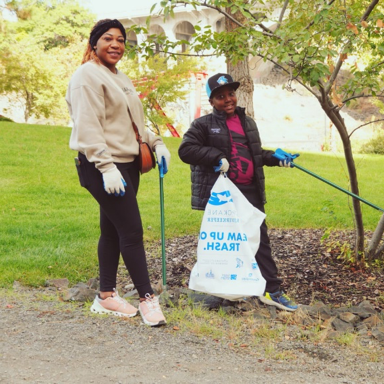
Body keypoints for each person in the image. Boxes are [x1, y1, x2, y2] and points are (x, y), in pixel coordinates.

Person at [66, 19, 171, 327]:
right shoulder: (86, 75)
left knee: (111, 230)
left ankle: (106, 296)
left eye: (121, 40)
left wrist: (158, 144)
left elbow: (133, 121)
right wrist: (106, 167)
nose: (116, 44)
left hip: (127, 164)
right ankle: (147, 299)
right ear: (94, 43)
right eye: (108, 38)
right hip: (103, 166)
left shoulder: (120, 76)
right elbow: (88, 127)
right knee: (132, 231)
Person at [178, 73, 299, 311]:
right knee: (227, 242)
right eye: (220, 96)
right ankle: (227, 289)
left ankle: (271, 290)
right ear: (212, 102)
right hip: (224, 195)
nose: (228, 99)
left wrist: (275, 157)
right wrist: (216, 156)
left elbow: (255, 155)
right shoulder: (203, 125)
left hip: (250, 191)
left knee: (260, 240)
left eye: (231, 94)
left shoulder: (248, 123)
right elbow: (186, 150)